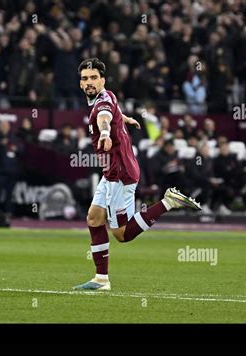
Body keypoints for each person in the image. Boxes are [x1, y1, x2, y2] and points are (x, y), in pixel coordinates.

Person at [74, 58, 201, 291]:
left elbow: (104, 117)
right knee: (94, 218)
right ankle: (101, 279)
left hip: (119, 173)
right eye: (85, 78)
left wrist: (105, 132)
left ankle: (168, 202)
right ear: (80, 83)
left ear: (102, 79)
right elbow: (112, 109)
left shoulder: (101, 105)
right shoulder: (107, 96)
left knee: (121, 234)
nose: (89, 82)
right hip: (112, 170)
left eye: (93, 77)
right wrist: (125, 119)